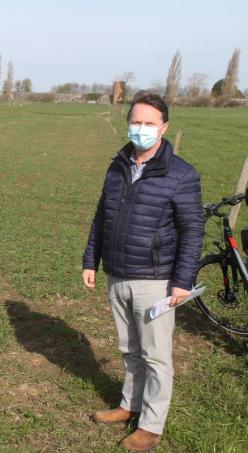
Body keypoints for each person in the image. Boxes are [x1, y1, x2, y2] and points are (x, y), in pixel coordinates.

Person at [82, 92, 204, 451]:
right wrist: (91, 260)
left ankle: (151, 425)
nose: (141, 129)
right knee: (128, 348)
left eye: (150, 124)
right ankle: (128, 405)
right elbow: (101, 216)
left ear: (164, 128)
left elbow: (192, 231)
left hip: (156, 280)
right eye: (136, 122)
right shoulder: (118, 165)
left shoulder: (182, 175)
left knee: (155, 354)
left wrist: (182, 281)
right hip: (117, 273)